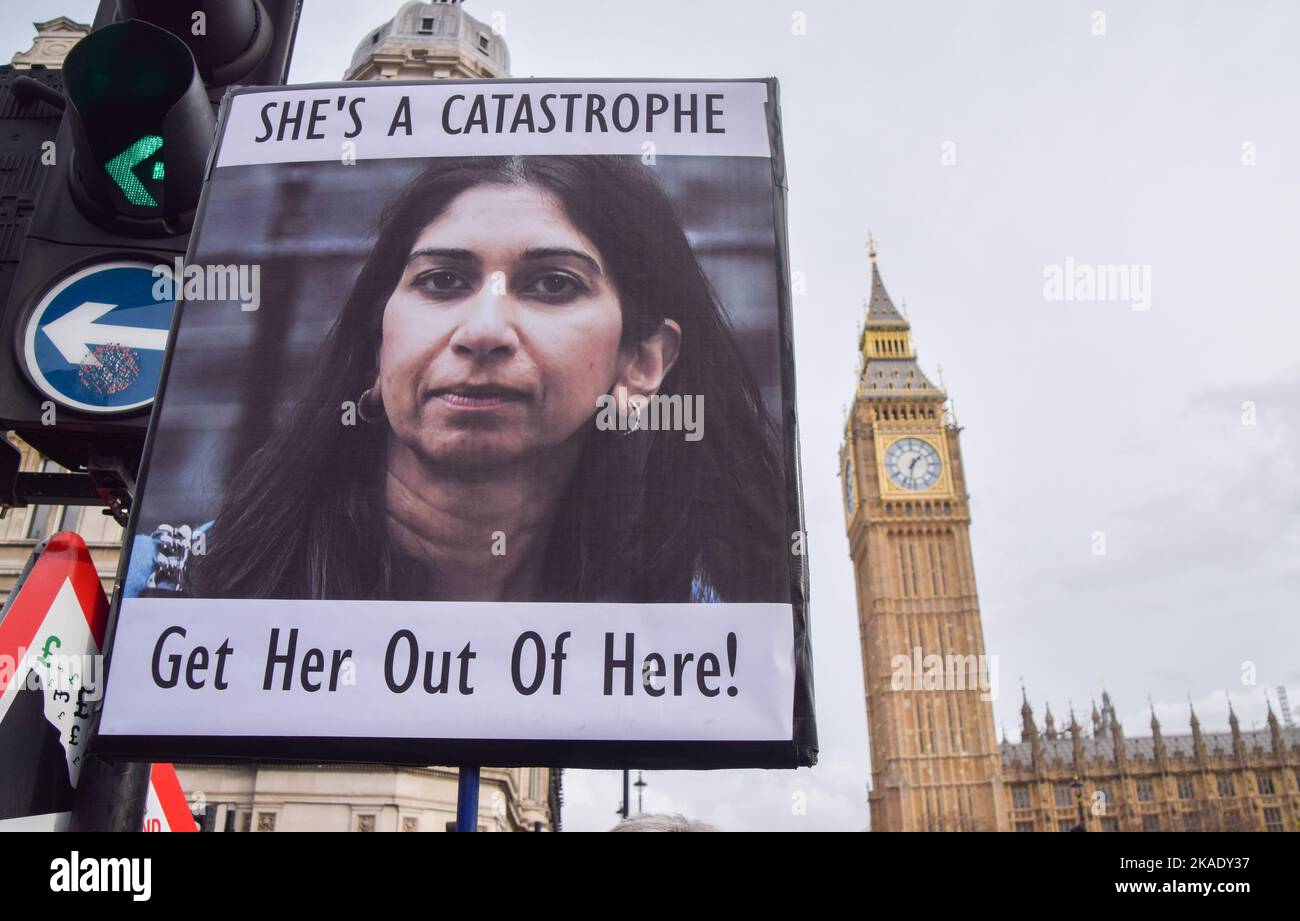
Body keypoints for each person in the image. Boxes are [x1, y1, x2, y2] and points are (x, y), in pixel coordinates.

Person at [143, 155, 788, 604]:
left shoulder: (703, 634)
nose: (483, 331)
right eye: (442, 281)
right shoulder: (164, 584)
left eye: (553, 284)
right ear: (377, 346)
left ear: (643, 363)